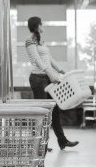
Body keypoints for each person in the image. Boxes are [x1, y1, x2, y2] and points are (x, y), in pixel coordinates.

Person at [25, 16, 78, 150]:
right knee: (42, 113)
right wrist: (50, 73)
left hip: (47, 78)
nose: (43, 26)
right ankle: (39, 144)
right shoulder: (29, 40)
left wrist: (60, 70)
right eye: (41, 24)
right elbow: (37, 60)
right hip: (38, 79)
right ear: (37, 25)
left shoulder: (41, 41)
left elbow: (49, 58)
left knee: (54, 111)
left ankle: (62, 141)